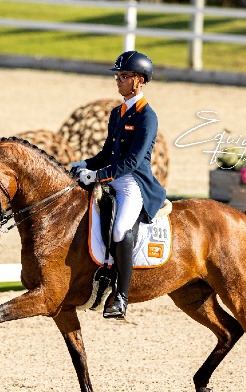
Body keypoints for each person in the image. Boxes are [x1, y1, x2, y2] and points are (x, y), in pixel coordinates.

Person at [71, 50, 167, 320]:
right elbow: (106, 154)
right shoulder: (117, 113)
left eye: (124, 76)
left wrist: (99, 176)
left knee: (120, 229)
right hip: (112, 175)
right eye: (117, 76)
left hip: (133, 183)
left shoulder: (147, 116)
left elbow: (134, 161)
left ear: (138, 80)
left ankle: (121, 297)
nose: (118, 80)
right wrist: (85, 164)